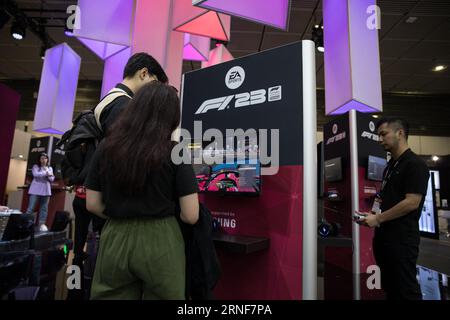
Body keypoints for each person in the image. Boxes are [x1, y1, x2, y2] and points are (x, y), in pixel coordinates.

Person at [85, 82, 199, 300]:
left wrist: (122, 216)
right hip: (161, 238)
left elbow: (92, 203)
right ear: (172, 117)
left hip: (115, 235)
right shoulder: (176, 152)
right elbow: (191, 214)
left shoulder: (106, 147)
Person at [70, 52, 168, 264]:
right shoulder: (123, 105)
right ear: (143, 73)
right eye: (155, 83)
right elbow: (123, 161)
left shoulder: (111, 100)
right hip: (110, 208)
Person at [357, 117, 429, 300]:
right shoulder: (390, 165)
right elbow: (383, 196)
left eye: (383, 134)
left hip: (402, 241)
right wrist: (373, 214)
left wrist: (378, 219)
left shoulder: (415, 165)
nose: (379, 140)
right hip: (384, 239)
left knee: (406, 291)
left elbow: (411, 202)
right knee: (391, 289)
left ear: (400, 133)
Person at [26, 153, 55, 231]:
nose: (43, 160)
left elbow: (52, 179)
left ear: (47, 160)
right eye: (42, 158)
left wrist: (47, 174)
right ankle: (26, 223)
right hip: (35, 190)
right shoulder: (36, 167)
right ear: (39, 159)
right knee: (31, 208)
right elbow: (36, 175)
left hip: (46, 191)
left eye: (45, 158)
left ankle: (41, 224)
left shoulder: (50, 168)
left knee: (44, 208)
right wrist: (46, 173)